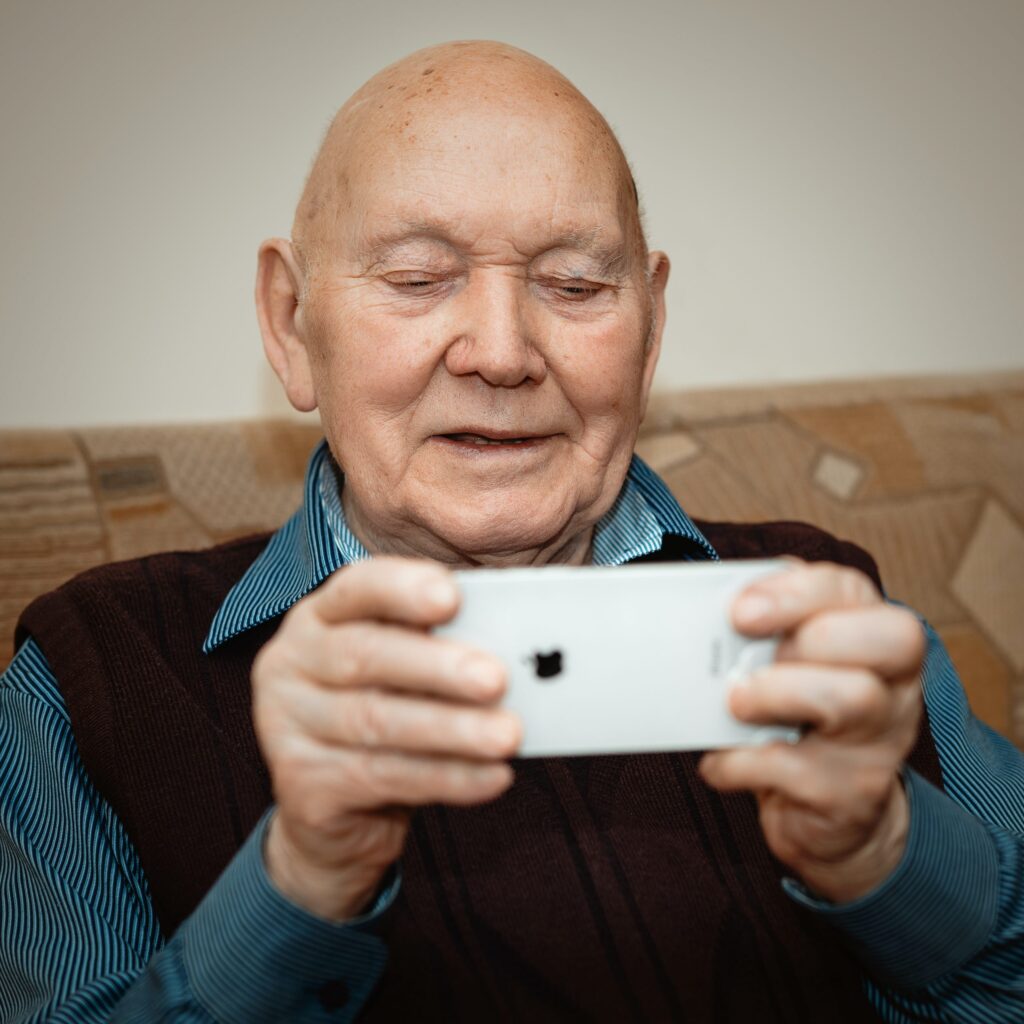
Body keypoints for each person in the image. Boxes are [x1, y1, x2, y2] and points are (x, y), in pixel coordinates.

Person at [1, 40, 1022, 1023]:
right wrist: (300, 882)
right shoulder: (87, 677)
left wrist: (885, 854)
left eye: (574, 286)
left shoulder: (828, 615)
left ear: (650, 328)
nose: (500, 353)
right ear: (288, 321)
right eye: (416, 278)